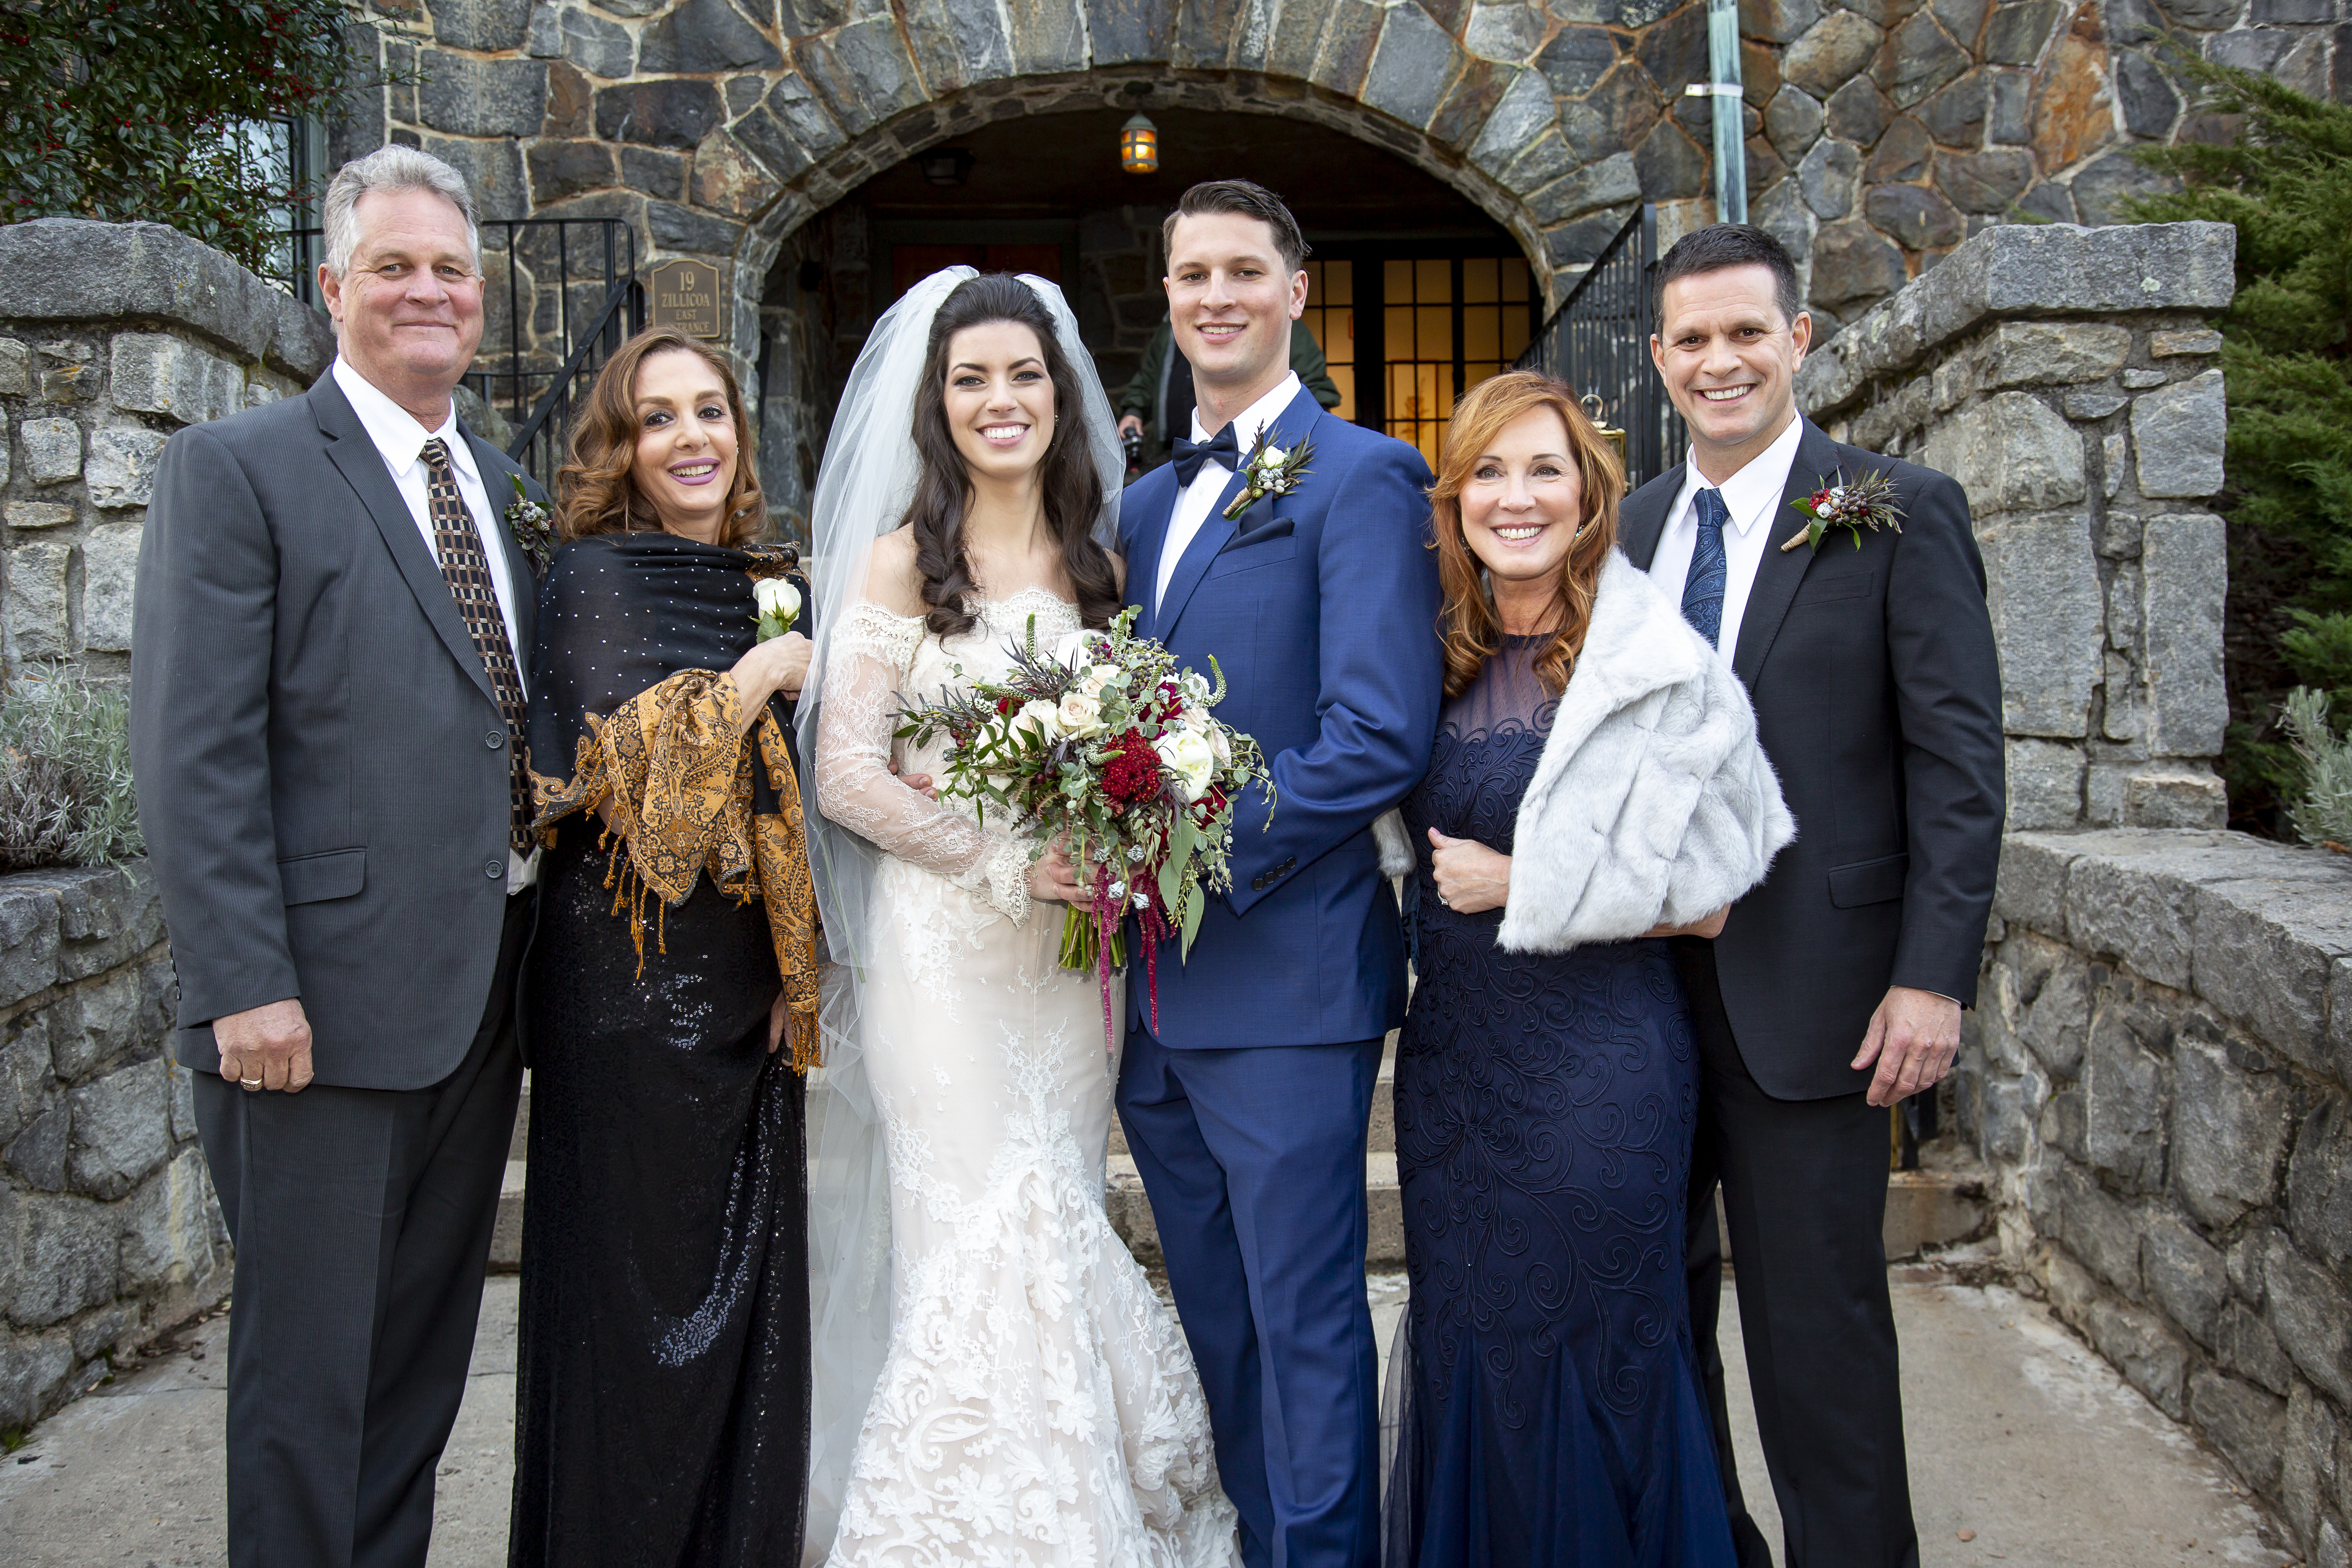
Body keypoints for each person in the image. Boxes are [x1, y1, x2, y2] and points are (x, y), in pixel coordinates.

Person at [128, 144, 541, 1568]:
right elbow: (197, 749)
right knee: (311, 1390)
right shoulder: (237, 468)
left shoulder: (491, 477)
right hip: (306, 1017)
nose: (426, 291)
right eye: (394, 266)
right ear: (332, 287)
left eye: (450, 269)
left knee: (417, 1376)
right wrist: (245, 980)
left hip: (476, 1005)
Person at [798, 268, 1240, 1564]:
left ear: (1062, 393)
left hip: (1068, 969)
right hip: (941, 957)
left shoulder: (1103, 561)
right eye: (972, 379)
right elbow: (847, 772)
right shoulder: (898, 557)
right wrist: (1003, 857)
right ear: (937, 405)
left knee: (1058, 1200)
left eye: (1025, 375)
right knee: (978, 1226)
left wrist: (1112, 836)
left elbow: (1138, 743)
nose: (1002, 401)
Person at [1617, 225, 2005, 1568]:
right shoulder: (1634, 528)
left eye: (1745, 333)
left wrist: (1932, 973)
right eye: (1691, 340)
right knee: (1656, 1323)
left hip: (1821, 1004)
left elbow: (1958, 767)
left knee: (1817, 1339)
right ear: (1658, 357)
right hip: (1638, 1005)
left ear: (1798, 340)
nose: (1718, 361)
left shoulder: (1897, 506)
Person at [1381, 370, 1792, 1568]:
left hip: (1599, 1068)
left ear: (1588, 491)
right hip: (1457, 1067)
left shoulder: (1652, 656)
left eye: (1543, 469)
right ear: (1455, 498)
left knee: (1596, 1338)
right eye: (1489, 473)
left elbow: (1715, 896)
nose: (1517, 497)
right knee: (1474, 1333)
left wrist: (1528, 882)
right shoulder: (1425, 653)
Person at [1114, 178, 1445, 1568]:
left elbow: (1378, 732)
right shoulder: (1136, 507)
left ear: (1296, 291)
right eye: (1192, 273)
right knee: (1217, 1315)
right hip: (1148, 998)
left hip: (1289, 976)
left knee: (1305, 1318)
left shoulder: (1364, 476)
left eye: (1244, 269)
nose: (1215, 296)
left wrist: (1187, 854)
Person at [505, 326, 819, 1565]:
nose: (693, 437)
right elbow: (648, 809)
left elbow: (790, 816)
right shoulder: (592, 577)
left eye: (710, 410)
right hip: (626, 997)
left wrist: (802, 975)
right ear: (620, 448)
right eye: (657, 418)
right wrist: (752, 683)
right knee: (630, 1313)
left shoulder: (761, 575)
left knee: (750, 1303)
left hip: (748, 992)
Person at [1117, 314, 1343, 460]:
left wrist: (1297, 445)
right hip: (1175, 454)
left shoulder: (1280, 324)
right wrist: (1133, 412)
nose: (1215, 298)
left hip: (1254, 457)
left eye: (1245, 273)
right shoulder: (1169, 327)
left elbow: (1315, 387)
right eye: (1195, 277)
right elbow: (1149, 377)